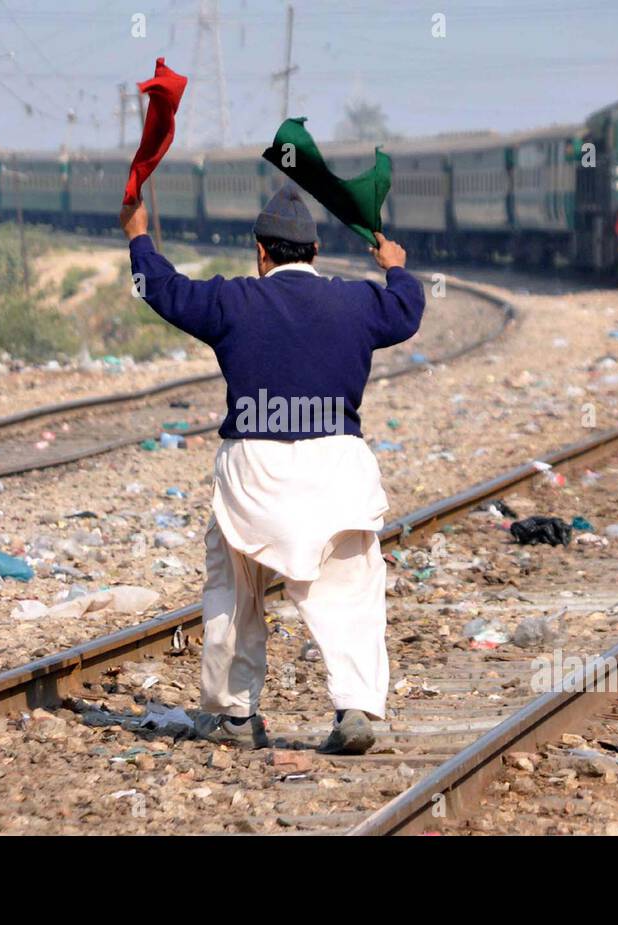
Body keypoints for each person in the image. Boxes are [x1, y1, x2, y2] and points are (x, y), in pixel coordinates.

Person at [120, 185, 425, 754]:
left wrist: (138, 235)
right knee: (350, 591)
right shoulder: (357, 303)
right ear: (313, 251)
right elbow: (406, 312)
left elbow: (160, 290)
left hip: (252, 473)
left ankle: (235, 714)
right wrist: (397, 268)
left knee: (233, 588)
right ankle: (357, 710)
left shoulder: (233, 302)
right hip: (336, 468)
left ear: (261, 252)